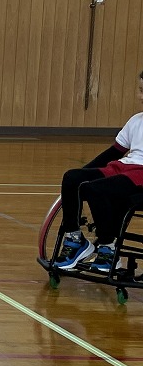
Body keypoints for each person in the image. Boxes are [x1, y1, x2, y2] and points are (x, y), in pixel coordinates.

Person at [51, 72, 143, 275]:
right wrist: (82, 174)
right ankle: (76, 240)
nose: (141, 96)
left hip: (140, 176)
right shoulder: (136, 120)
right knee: (72, 178)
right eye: (140, 90)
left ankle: (108, 249)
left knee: (97, 190)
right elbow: (114, 153)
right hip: (123, 167)